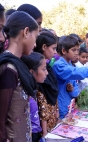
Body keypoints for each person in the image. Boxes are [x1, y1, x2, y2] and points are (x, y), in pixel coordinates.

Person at [0, 11, 39, 142]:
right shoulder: (9, 68)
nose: (35, 44)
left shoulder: (17, 65)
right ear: (26, 32)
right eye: (36, 37)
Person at [33, 31, 60, 138]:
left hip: (52, 120)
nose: (55, 52)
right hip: (41, 127)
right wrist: (44, 132)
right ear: (44, 47)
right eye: (53, 48)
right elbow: (42, 102)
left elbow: (54, 92)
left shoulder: (48, 69)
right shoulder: (38, 73)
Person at [21, 52, 48, 142]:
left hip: (36, 133)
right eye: (43, 69)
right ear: (32, 72)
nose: (47, 73)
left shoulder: (34, 89)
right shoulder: (24, 93)